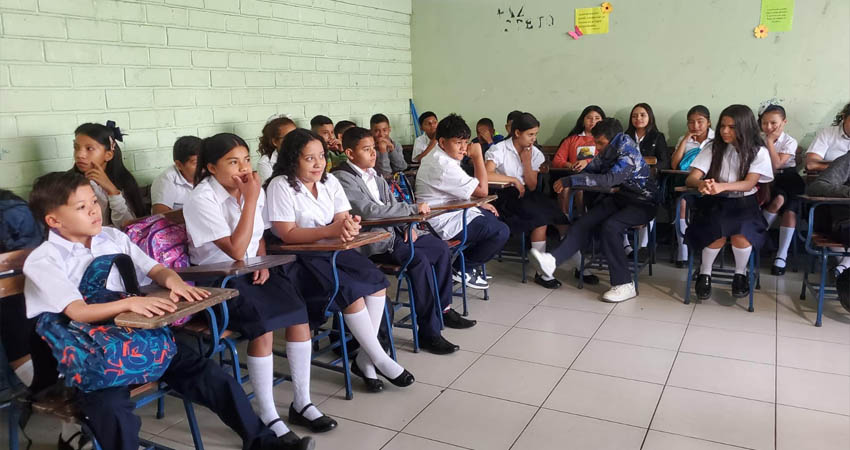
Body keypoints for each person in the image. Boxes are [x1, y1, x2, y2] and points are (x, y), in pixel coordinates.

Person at [25, 171, 315, 450]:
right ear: (54, 220)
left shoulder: (112, 239)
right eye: (81, 207)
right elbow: (76, 311)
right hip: (91, 357)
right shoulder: (44, 259)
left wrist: (175, 283)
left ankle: (261, 441)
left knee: (212, 377)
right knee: (113, 413)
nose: (94, 210)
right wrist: (130, 302)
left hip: (136, 338)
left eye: (93, 201)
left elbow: (156, 268)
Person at [184, 133, 335, 438]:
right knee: (263, 325)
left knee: (298, 314)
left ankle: (302, 402)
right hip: (216, 279)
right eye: (233, 162)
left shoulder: (251, 189)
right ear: (212, 168)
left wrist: (262, 263)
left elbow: (260, 239)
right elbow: (236, 250)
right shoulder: (201, 198)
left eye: (246, 159)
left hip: (252, 270)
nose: (243, 167)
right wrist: (250, 200)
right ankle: (268, 414)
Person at [265, 128, 415, 393]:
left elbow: (342, 217)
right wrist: (331, 231)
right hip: (299, 256)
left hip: (333, 249)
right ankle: (378, 357)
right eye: (309, 158)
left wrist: (349, 225)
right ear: (292, 159)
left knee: (376, 282)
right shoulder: (281, 185)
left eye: (321, 156)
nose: (318, 163)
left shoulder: (329, 182)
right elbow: (286, 234)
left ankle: (364, 358)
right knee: (352, 293)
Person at [333, 127, 476, 355]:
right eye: (366, 150)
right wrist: (410, 211)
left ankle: (444, 309)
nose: (373, 154)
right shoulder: (342, 178)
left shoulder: (375, 175)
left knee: (439, 248)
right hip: (374, 242)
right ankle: (429, 332)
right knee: (418, 261)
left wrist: (406, 226)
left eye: (373, 149)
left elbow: (390, 202)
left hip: (395, 233)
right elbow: (368, 211)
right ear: (350, 153)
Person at [529, 118, 658, 302]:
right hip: (621, 198)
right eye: (596, 142)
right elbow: (593, 168)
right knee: (583, 222)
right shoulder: (609, 149)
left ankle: (624, 284)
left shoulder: (627, 152)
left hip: (643, 203)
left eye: (601, 143)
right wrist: (573, 178)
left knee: (611, 226)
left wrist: (571, 181)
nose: (597, 148)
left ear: (614, 140)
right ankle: (552, 262)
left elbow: (608, 180)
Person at [684, 105, 774, 300]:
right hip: (715, 202)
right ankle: (705, 273)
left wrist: (723, 186)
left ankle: (740, 274)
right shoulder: (713, 147)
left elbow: (750, 183)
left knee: (742, 234)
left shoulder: (759, 152)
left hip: (744, 204)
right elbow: (691, 178)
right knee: (716, 231)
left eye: (732, 127)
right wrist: (701, 183)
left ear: (745, 127)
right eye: (723, 126)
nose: (725, 131)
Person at [415, 114, 509, 289]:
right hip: (438, 220)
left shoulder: (442, 156)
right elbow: (482, 191)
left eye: (466, 142)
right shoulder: (441, 164)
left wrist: (478, 203)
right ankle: (461, 269)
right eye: (458, 143)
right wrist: (478, 157)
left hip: (451, 210)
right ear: (442, 142)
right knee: (500, 231)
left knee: (492, 218)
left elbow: (461, 191)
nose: (463, 148)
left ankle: (465, 267)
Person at [485, 112, 568, 288]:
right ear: (517, 133)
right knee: (540, 219)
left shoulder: (534, 153)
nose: (533, 138)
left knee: (559, 216)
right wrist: (513, 179)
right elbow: (486, 174)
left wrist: (527, 162)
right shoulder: (498, 149)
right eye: (530, 134)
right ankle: (543, 273)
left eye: (536, 134)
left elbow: (531, 185)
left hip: (526, 194)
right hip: (504, 196)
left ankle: (576, 264)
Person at [71, 121, 146, 228]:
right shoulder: (68, 185)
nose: (79, 155)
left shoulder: (125, 181)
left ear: (108, 155)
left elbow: (130, 227)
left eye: (89, 148)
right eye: (76, 147)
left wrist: (112, 191)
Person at [757, 103, 803, 275]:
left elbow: (777, 164)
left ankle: (781, 256)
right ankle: (757, 238)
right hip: (766, 179)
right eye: (764, 123)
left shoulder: (790, 141)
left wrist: (769, 142)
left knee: (790, 210)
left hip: (789, 178)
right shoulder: (757, 139)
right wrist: (766, 140)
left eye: (773, 123)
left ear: (784, 122)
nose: (768, 127)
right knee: (778, 200)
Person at [670, 105, 715, 267]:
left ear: (708, 122)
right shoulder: (685, 139)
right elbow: (675, 165)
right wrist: (684, 140)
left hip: (709, 184)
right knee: (681, 204)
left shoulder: (716, 139)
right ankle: (683, 251)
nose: (695, 126)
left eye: (700, 122)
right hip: (685, 182)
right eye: (691, 122)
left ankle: (707, 251)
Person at [622, 103, 668, 256]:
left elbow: (664, 161)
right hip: (625, 180)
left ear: (650, 117)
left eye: (642, 115)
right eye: (634, 116)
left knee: (647, 202)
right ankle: (625, 245)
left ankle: (643, 246)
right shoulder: (624, 137)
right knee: (614, 200)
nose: (638, 118)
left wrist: (650, 170)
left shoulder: (657, 136)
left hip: (648, 181)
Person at [806, 151, 850, 278]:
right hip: (844, 221)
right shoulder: (847, 161)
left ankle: (844, 266)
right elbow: (818, 186)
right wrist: (847, 192)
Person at [151, 135, 201, 214]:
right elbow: (160, 216)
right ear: (179, 165)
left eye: (204, 160)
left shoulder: (210, 173)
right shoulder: (165, 180)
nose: (203, 166)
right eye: (196, 163)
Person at [806, 102, 850, 172]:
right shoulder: (827, 133)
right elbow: (811, 164)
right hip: (831, 179)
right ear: (844, 118)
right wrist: (843, 169)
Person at [258, 115, 297, 184]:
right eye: (288, 137)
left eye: (296, 135)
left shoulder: (302, 155)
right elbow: (271, 186)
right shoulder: (265, 162)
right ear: (275, 142)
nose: (294, 140)